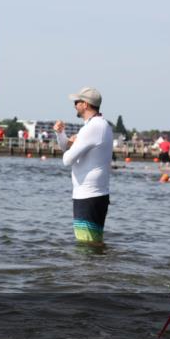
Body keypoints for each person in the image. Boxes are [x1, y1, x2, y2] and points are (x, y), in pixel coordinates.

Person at [54, 87, 113, 246]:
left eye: (77, 102)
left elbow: (67, 159)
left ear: (85, 105)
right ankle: (97, 269)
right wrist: (61, 134)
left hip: (89, 194)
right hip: (93, 194)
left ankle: (92, 270)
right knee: (92, 243)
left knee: (87, 245)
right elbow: (67, 147)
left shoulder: (93, 128)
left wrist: (74, 144)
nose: (74, 105)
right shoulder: (99, 125)